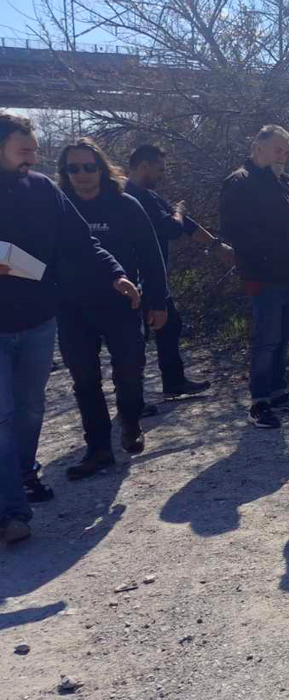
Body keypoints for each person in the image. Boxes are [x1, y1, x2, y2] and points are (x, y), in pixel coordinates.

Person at [0, 114, 137, 542]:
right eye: (25, 150)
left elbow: (81, 240)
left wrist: (115, 272)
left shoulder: (41, 189)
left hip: (38, 320)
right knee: (2, 417)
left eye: (35, 150)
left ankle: (23, 474)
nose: (33, 156)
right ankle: (12, 511)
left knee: (30, 409)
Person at [56, 139, 167, 479]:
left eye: (89, 167)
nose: (83, 174)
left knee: (129, 370)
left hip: (123, 303)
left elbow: (151, 256)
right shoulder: (57, 206)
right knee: (85, 380)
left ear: (102, 169)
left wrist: (159, 303)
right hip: (72, 307)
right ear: (65, 173)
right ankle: (99, 449)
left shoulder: (125, 204)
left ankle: (131, 422)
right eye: (74, 168)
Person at [219, 124, 289, 429]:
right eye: (277, 149)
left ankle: (279, 393)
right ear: (257, 147)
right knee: (267, 340)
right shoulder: (241, 182)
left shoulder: (277, 180)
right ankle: (260, 401)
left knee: (283, 337)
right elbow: (238, 232)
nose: (283, 155)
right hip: (265, 275)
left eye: (286, 151)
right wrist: (269, 257)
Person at [126, 143, 233, 400]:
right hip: (134, 278)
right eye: (160, 170)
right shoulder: (132, 196)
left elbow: (187, 226)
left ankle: (173, 382)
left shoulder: (149, 195)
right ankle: (132, 399)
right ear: (144, 167)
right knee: (134, 339)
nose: (163, 175)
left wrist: (217, 247)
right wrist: (178, 211)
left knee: (170, 324)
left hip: (154, 277)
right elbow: (173, 227)